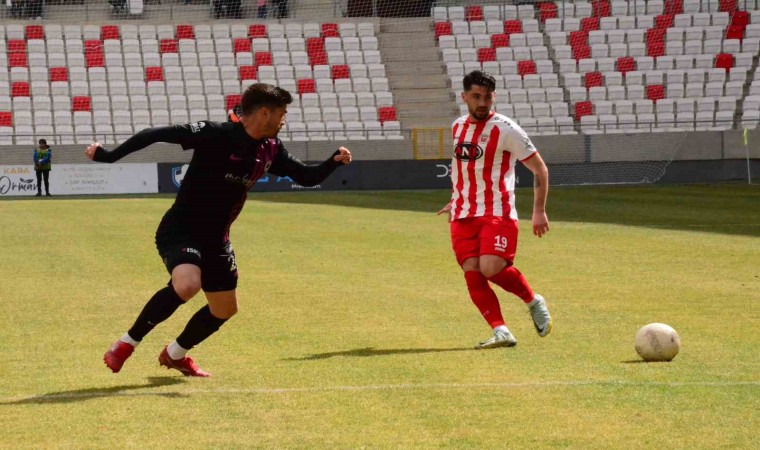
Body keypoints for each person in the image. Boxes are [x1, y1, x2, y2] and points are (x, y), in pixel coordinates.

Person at [88, 83, 352, 377]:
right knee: (187, 285)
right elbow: (155, 134)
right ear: (265, 113)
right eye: (282, 114)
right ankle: (127, 343)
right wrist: (108, 156)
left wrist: (333, 162)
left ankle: (175, 354)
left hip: (217, 239)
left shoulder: (271, 149)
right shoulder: (215, 134)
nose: (284, 121)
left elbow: (305, 176)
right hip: (181, 229)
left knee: (224, 309)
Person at [438, 70, 553, 349]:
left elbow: (540, 170)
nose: (482, 103)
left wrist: (539, 211)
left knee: (491, 268)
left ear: (494, 97)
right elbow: (464, 169)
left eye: (487, 97)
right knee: (472, 271)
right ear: (464, 97)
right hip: (463, 214)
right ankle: (501, 330)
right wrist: (457, 198)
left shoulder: (506, 129)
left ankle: (532, 300)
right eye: (476, 96)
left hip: (497, 212)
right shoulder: (457, 127)